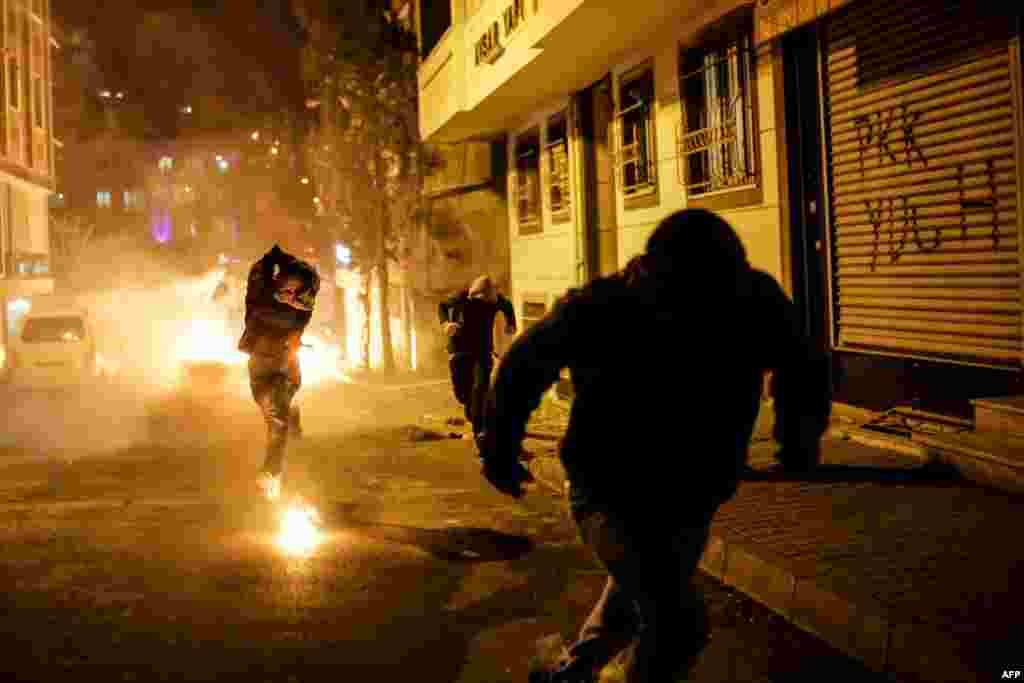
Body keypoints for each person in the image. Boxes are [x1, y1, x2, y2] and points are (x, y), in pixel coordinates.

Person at [476, 209, 832, 683]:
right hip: (610, 493)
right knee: (678, 622)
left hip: (693, 493)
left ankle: (569, 676)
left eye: (716, 290)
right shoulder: (608, 305)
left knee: (636, 596)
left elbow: (802, 362)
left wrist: (798, 441)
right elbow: (524, 362)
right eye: (692, 292)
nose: (702, 312)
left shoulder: (747, 297)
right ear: (658, 274)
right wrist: (499, 447)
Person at [238, 244, 320, 501]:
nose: (290, 295)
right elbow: (264, 263)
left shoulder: (302, 302)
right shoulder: (260, 292)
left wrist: (296, 336)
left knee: (281, 418)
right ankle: (274, 471)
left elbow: (310, 288)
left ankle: (272, 473)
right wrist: (275, 257)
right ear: (279, 279)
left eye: (295, 291)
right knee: (277, 420)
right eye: (286, 288)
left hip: (287, 366)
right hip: (261, 367)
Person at [438, 275, 517, 439]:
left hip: (482, 350)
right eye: (481, 300)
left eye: (488, 302)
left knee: (481, 387)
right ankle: (472, 410)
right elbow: (442, 306)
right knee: (463, 394)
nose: (485, 304)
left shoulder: (495, 300)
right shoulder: (460, 298)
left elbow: (508, 306)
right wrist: (445, 324)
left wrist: (511, 323)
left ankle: (480, 430)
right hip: (459, 351)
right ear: (473, 295)